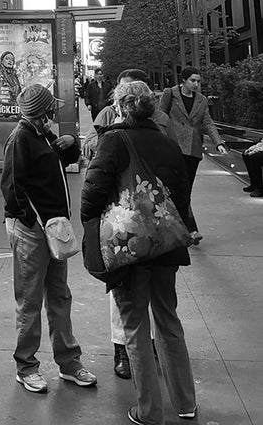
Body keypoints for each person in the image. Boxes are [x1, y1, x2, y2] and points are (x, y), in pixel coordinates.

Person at [81, 80, 196, 425]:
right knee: (168, 320)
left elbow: (91, 196)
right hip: (166, 248)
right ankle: (186, 403)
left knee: (134, 326)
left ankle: (148, 412)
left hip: (129, 250)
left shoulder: (114, 140)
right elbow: (182, 197)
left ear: (120, 107)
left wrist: (98, 224)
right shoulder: (168, 142)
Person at [0, 83, 97, 394]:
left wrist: (68, 146)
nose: (55, 113)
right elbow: (13, 188)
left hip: (53, 230)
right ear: (42, 113)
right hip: (33, 231)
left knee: (59, 295)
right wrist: (34, 224)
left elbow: (59, 159)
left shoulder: (42, 135)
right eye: (51, 110)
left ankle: (69, 362)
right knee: (30, 300)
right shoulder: (21, 138)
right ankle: (26, 366)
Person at [82, 68, 174, 382]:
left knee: (135, 297)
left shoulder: (162, 125)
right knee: (130, 295)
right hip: (131, 226)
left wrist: (90, 221)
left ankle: (144, 369)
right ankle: (126, 351)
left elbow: (92, 188)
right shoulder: (109, 124)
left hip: (150, 228)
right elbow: (93, 158)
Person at [158, 66, 227, 244]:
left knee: (185, 189)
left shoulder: (202, 100)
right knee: (178, 189)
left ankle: (184, 229)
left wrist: (218, 142)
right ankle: (189, 229)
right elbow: (160, 116)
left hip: (193, 149)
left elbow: (207, 122)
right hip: (173, 147)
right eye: (193, 80)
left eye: (198, 81)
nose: (196, 84)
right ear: (184, 80)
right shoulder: (170, 93)